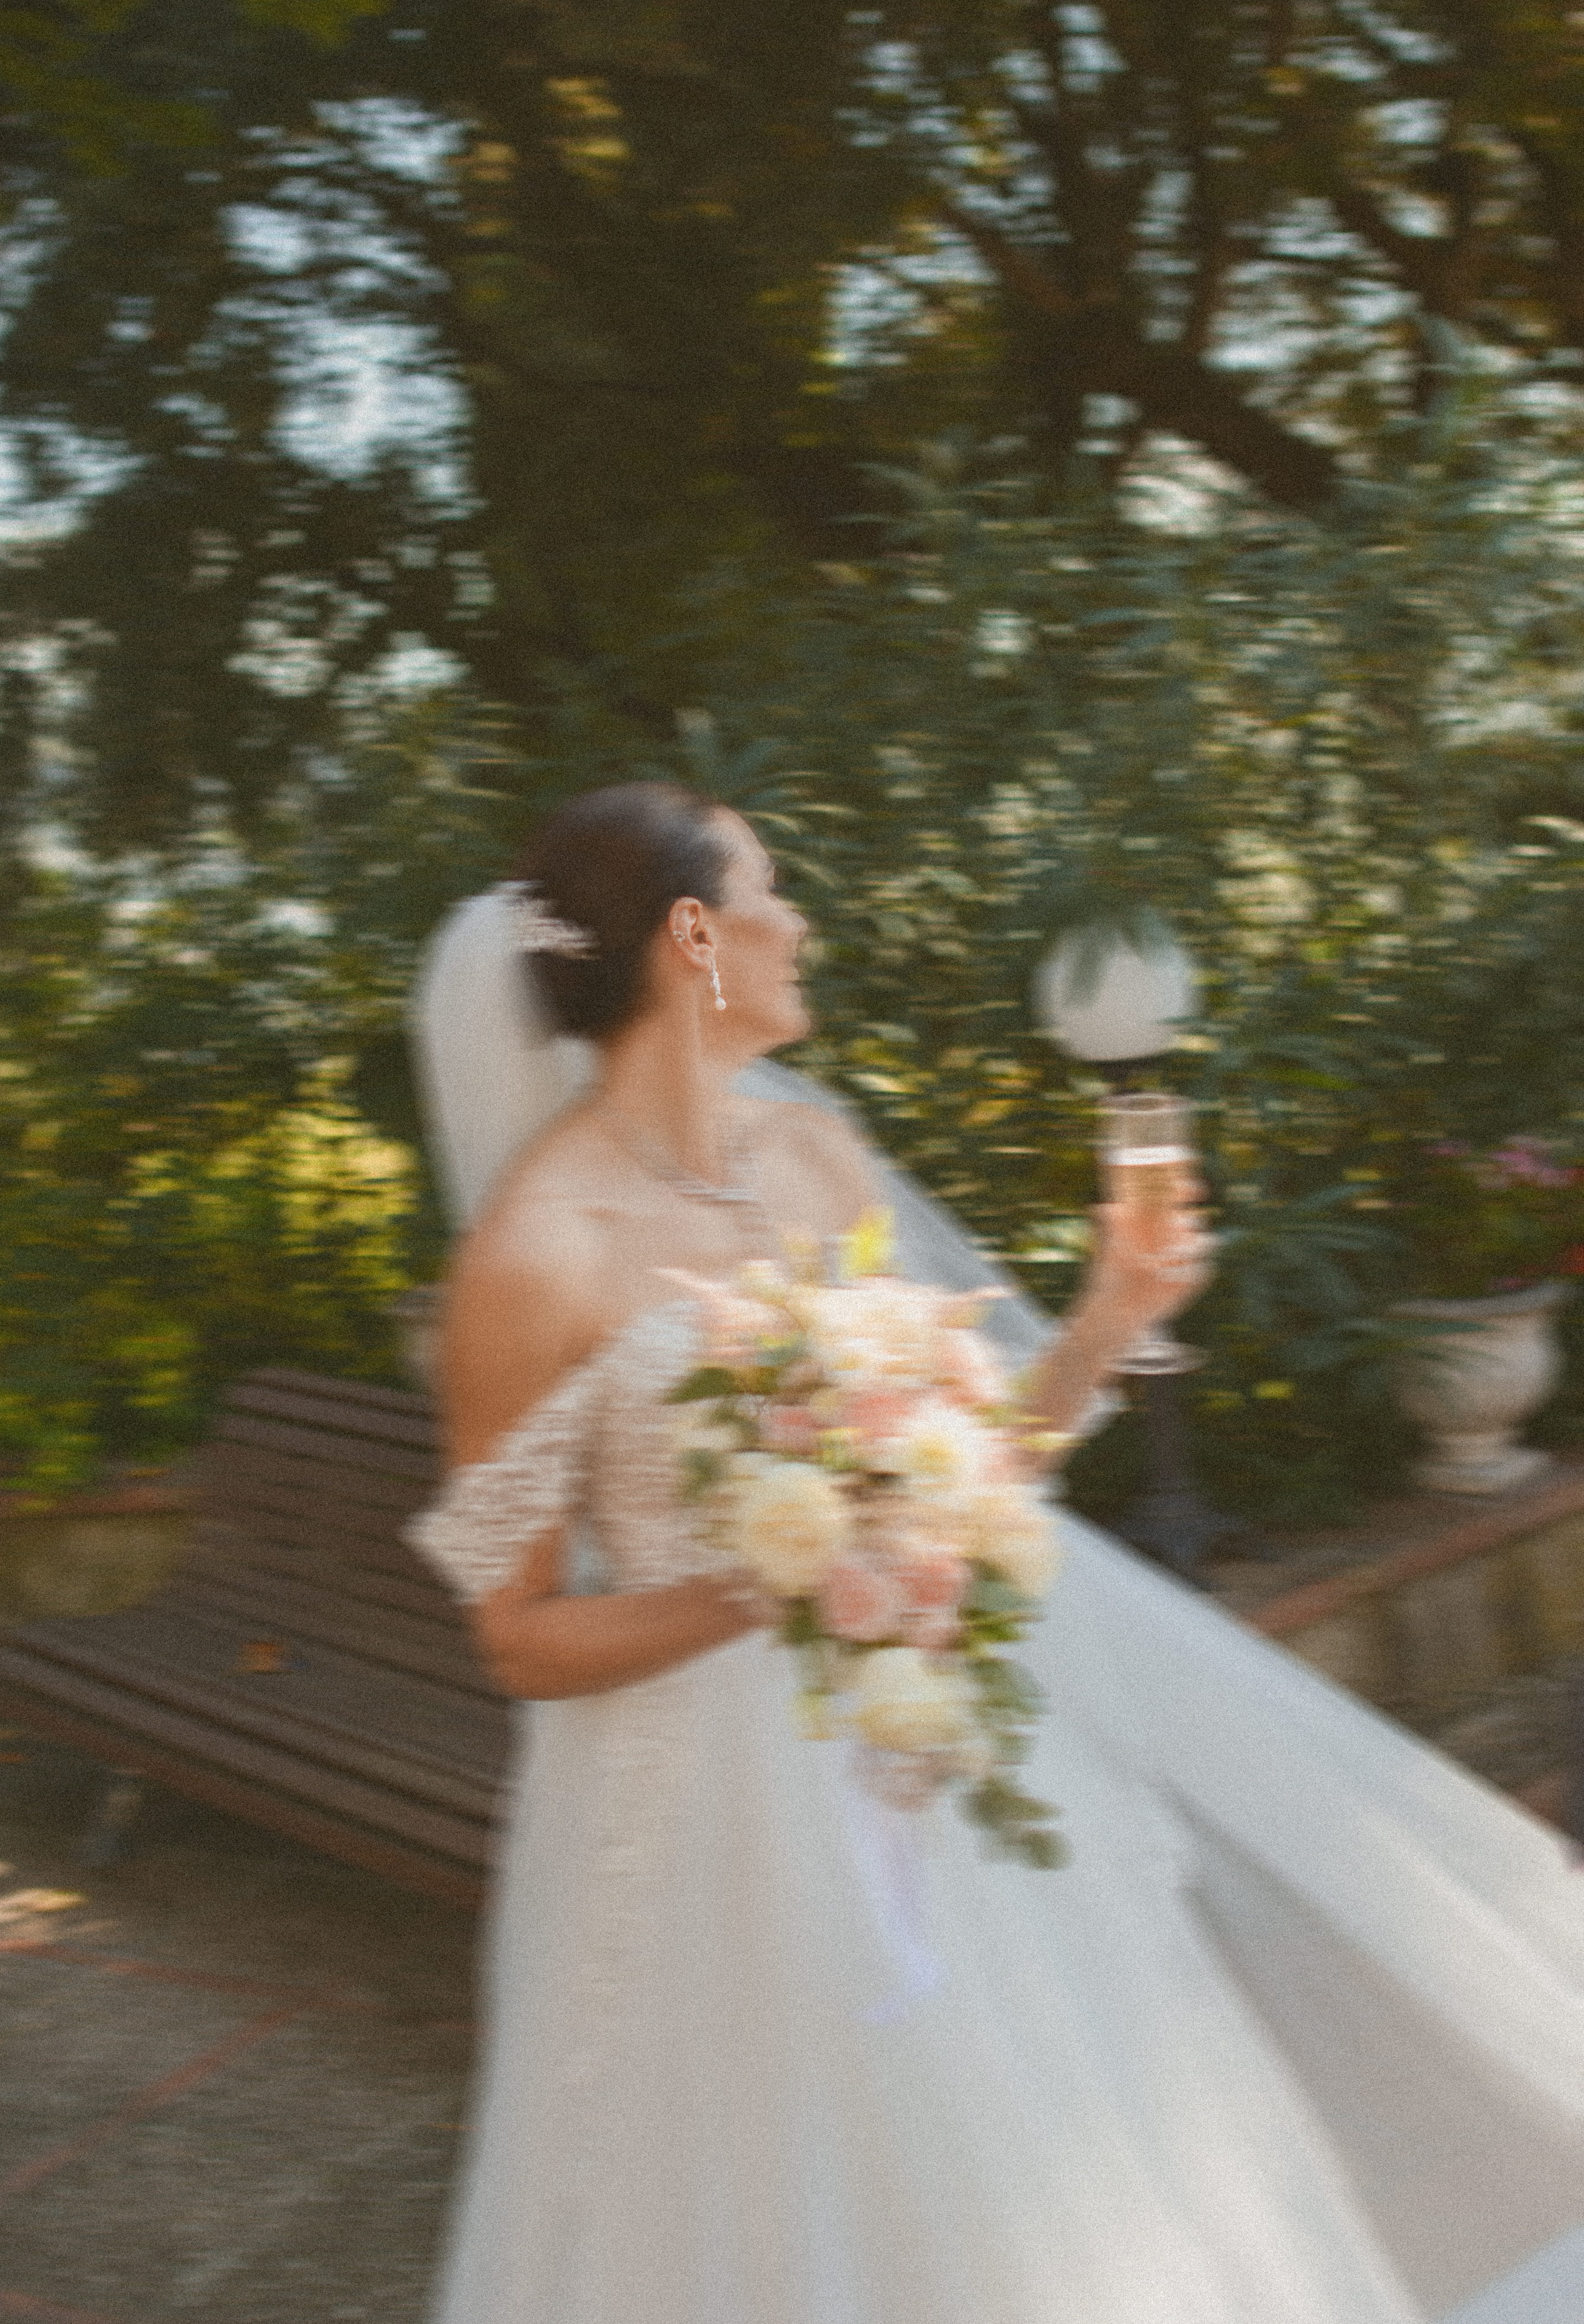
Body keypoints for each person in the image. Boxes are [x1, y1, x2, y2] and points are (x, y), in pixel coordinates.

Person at [408, 783, 1584, 2324]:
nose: (805, 922)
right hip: (710, 1821)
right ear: (694, 940)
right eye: (775, 892)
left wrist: (1108, 1315)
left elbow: (968, 1473)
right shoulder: (535, 1255)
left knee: (1060, 2159)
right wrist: (770, 1579)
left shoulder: (813, 1161)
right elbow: (515, 1636)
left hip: (947, 1751)